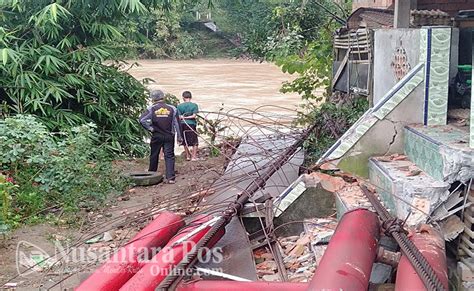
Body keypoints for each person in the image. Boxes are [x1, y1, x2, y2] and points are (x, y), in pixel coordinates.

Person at [139, 90, 182, 183]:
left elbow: (142, 120)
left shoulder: (152, 109)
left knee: (154, 154)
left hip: (157, 135)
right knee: (169, 156)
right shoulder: (172, 108)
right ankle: (170, 178)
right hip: (169, 135)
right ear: (163, 97)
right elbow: (177, 124)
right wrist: (179, 136)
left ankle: (151, 173)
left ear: (153, 99)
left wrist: (150, 128)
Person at [177, 91, 200, 161]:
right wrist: (188, 117)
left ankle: (187, 156)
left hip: (182, 124)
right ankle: (194, 157)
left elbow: (179, 116)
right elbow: (194, 115)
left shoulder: (179, 106)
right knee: (195, 141)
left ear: (183, 98)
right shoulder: (194, 105)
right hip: (191, 124)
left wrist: (184, 118)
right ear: (191, 97)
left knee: (185, 140)